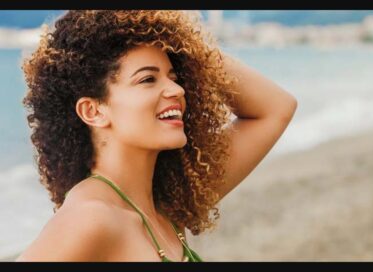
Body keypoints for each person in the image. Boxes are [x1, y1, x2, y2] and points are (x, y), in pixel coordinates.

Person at [16, 10, 297, 262]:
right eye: (148, 79)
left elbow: (276, 108)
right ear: (93, 111)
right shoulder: (90, 218)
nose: (177, 90)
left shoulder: (168, 206)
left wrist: (182, 39)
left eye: (173, 77)